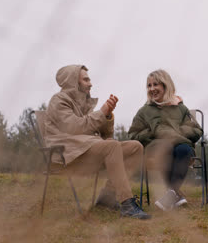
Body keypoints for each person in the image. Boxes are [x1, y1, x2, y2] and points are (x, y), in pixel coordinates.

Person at [44, 64, 150, 219]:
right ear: (74, 81)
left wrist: (107, 116)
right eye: (86, 79)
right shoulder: (58, 101)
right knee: (112, 146)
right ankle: (127, 204)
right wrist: (101, 112)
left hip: (85, 150)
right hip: (67, 156)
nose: (90, 83)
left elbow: (106, 135)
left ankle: (107, 197)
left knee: (135, 147)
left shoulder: (83, 103)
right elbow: (75, 128)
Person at [128, 69, 202, 211]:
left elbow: (196, 131)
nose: (152, 89)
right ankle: (175, 194)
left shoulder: (181, 109)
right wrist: (152, 133)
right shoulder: (144, 111)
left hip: (181, 149)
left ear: (165, 85)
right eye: (149, 86)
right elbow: (133, 134)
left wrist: (176, 133)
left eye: (156, 84)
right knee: (164, 147)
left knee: (184, 149)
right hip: (156, 151)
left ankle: (171, 194)